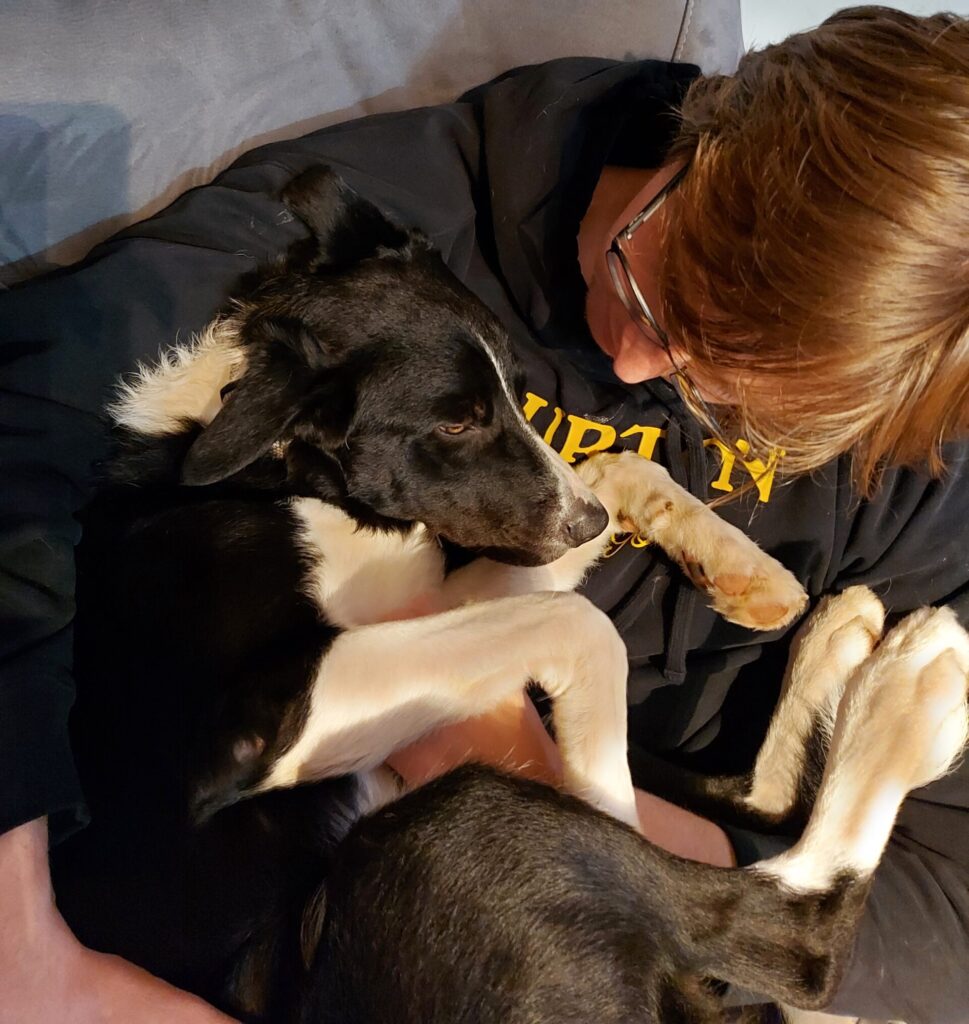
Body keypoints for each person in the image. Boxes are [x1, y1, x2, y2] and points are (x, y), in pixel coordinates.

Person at [1, 6, 968, 1022]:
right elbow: (23, 428)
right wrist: (24, 955)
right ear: (703, 130)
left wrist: (582, 834)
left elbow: (949, 906)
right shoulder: (381, 236)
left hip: (602, 908)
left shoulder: (897, 421)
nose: (640, 364)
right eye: (654, 285)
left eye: (729, 402)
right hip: (366, 894)